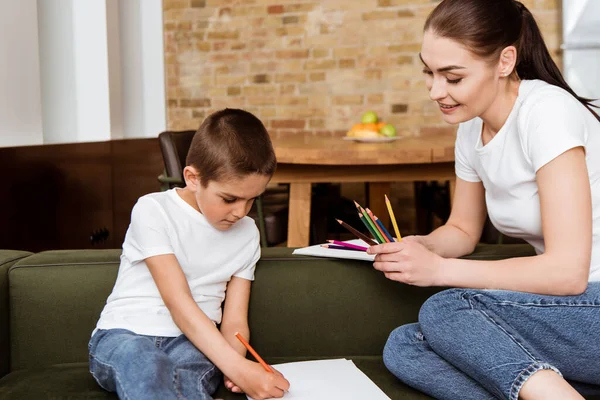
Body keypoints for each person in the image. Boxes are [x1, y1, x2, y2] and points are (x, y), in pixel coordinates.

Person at [369, 0, 600, 399]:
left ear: (505, 61)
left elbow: (567, 272)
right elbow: (461, 229)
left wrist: (440, 271)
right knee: (405, 346)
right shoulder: (471, 127)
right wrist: (420, 246)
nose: (436, 91)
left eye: (452, 77)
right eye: (429, 72)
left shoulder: (547, 113)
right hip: (566, 311)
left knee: (446, 309)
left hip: (589, 302)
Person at [88, 109, 290, 400]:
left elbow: (234, 322)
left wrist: (232, 367)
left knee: (190, 378)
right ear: (193, 178)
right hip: (124, 336)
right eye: (229, 199)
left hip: (192, 345)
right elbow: (178, 302)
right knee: (144, 359)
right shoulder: (152, 209)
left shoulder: (247, 234)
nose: (241, 212)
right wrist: (239, 368)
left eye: (252, 199)